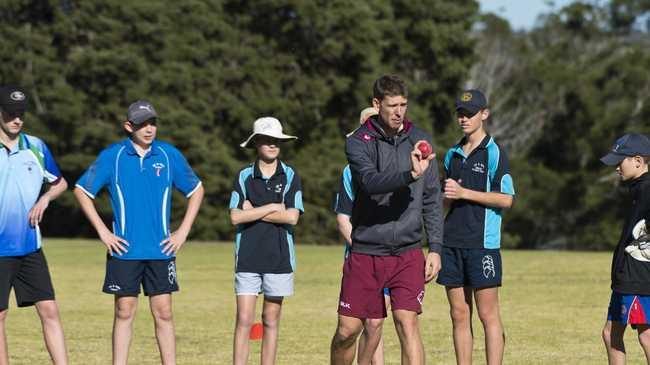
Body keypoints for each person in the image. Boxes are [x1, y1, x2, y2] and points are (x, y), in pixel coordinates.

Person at [74, 100, 204, 365]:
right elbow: (82, 191)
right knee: (124, 310)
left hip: (161, 250)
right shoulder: (114, 156)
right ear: (128, 126)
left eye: (152, 123)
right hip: (125, 250)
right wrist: (103, 232)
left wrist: (182, 232)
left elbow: (197, 190)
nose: (148, 129)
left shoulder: (168, 155)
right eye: (142, 124)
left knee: (164, 312)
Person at [330, 75, 444, 365]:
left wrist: (436, 248)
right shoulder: (358, 142)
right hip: (367, 251)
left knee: (408, 324)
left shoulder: (421, 140)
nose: (399, 112)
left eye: (403, 105)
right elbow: (369, 182)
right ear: (376, 104)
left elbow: (431, 197)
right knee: (347, 331)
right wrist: (409, 174)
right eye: (392, 105)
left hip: (408, 252)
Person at [437, 89, 515, 365]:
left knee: (487, 314)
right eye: (460, 113)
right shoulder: (452, 155)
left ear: (485, 114)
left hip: (483, 245)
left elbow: (506, 199)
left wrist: (464, 193)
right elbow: (448, 199)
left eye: (469, 114)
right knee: (459, 313)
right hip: (451, 243)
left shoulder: (495, 153)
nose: (463, 119)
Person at [0, 86, 69, 364]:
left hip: (30, 247)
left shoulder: (36, 147)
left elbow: (60, 183)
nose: (17, 119)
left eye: (21, 114)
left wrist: (46, 198)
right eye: (10, 113)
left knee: (49, 310)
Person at [229, 116, 303, 365]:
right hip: (247, 257)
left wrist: (253, 210)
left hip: (279, 259)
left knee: (271, 320)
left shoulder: (291, 176)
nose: (273, 145)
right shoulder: (244, 176)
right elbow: (235, 217)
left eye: (277, 141)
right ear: (256, 143)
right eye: (267, 140)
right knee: (244, 319)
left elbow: (292, 217)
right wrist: (272, 207)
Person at [600, 133, 650, 365]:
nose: (616, 168)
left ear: (638, 161)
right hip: (629, 276)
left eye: (620, 162)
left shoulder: (646, 190)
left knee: (645, 335)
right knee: (611, 333)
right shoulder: (637, 188)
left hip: (637, 276)